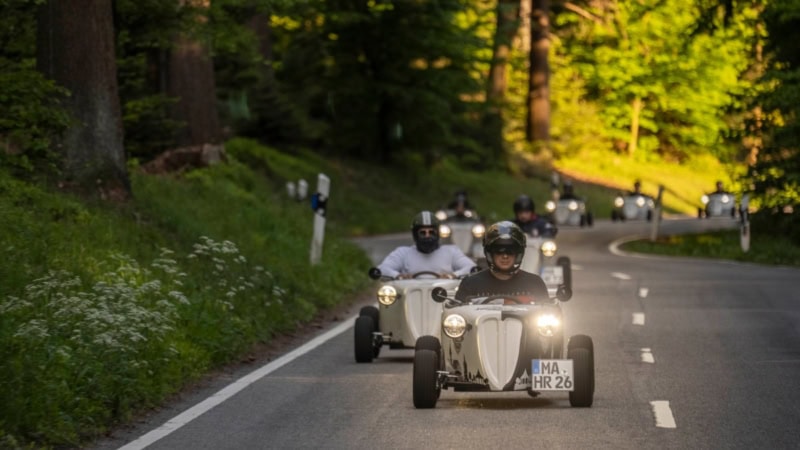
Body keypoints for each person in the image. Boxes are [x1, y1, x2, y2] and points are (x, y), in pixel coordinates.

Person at [455, 221, 549, 302]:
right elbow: (458, 315)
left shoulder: (535, 283)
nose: (505, 256)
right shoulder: (470, 284)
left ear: (518, 254)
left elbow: (548, 313)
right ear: (490, 253)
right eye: (499, 251)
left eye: (510, 251)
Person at [376, 211, 476, 279]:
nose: (427, 236)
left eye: (431, 232)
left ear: (437, 233)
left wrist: (453, 275)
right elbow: (382, 268)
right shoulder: (403, 252)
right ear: (415, 235)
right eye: (423, 232)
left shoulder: (451, 251)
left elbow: (471, 267)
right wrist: (398, 276)